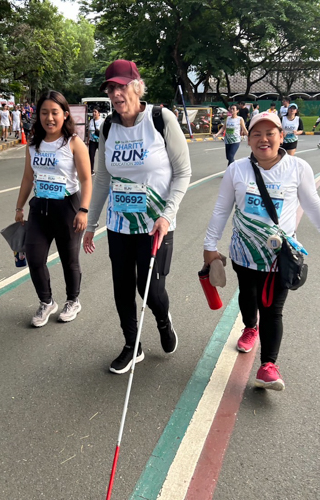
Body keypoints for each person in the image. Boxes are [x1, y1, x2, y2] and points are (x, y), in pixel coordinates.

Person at [203, 111, 320, 391]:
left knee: (273, 309)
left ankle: (268, 365)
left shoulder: (298, 168)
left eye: (270, 133)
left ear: (281, 136)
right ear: (249, 139)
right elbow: (221, 209)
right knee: (248, 295)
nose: (263, 139)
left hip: (280, 256)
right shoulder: (237, 170)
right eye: (256, 134)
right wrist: (210, 246)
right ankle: (249, 327)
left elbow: (312, 204)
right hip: (244, 252)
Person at [83, 59, 192, 374]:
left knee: (150, 289)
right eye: (111, 89)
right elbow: (102, 178)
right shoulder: (108, 127)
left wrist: (168, 215)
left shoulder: (160, 119)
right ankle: (132, 345)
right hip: (119, 225)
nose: (117, 95)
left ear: (137, 86)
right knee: (121, 286)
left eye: (122, 87)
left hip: (155, 224)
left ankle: (161, 318)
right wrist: (91, 223)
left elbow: (183, 173)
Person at [14, 90, 92, 327]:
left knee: (70, 260)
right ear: (38, 116)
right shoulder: (34, 145)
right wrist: (19, 207)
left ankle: (73, 300)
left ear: (65, 114)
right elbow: (28, 178)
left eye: (54, 113)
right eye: (44, 113)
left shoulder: (73, 143)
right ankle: (46, 302)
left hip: (68, 208)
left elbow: (87, 180)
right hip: (39, 209)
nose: (49, 118)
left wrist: (84, 210)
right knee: (35, 258)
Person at [87, 107, 105, 175]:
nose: (94, 113)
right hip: (92, 141)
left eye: (95, 112)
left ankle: (103, 170)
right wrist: (88, 139)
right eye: (93, 112)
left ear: (99, 113)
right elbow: (89, 131)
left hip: (100, 141)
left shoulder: (102, 121)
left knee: (102, 156)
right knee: (91, 156)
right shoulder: (91, 121)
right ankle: (91, 170)